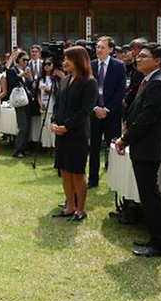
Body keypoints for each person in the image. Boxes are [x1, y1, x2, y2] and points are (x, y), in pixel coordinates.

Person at [114, 43, 161, 257]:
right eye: (138, 56)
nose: (138, 59)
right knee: (147, 195)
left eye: (144, 56)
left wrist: (124, 139)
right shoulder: (148, 81)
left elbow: (146, 120)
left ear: (158, 61)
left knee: (150, 196)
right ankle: (155, 238)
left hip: (149, 148)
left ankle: (160, 244)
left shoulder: (158, 83)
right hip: (144, 147)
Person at [51, 46, 97, 221]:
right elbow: (58, 104)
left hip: (76, 133)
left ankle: (80, 209)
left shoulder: (89, 82)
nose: (64, 62)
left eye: (67, 59)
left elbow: (85, 111)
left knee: (77, 171)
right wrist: (54, 121)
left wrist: (67, 126)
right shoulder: (65, 80)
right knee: (64, 170)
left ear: (78, 60)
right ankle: (69, 206)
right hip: (61, 132)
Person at [89, 36, 126, 187]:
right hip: (94, 113)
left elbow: (121, 90)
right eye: (97, 47)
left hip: (112, 113)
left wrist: (106, 109)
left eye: (102, 47)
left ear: (110, 49)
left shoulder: (119, 65)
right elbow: (88, 89)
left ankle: (114, 180)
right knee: (94, 147)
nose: (99, 50)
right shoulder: (90, 65)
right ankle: (93, 179)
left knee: (112, 147)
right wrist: (95, 108)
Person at [6, 51, 34, 158]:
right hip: (19, 101)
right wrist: (19, 76)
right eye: (24, 60)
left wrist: (30, 80)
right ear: (18, 59)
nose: (26, 62)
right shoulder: (14, 70)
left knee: (28, 126)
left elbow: (27, 85)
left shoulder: (25, 70)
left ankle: (24, 148)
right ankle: (17, 150)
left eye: (27, 60)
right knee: (23, 126)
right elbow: (11, 83)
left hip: (27, 100)